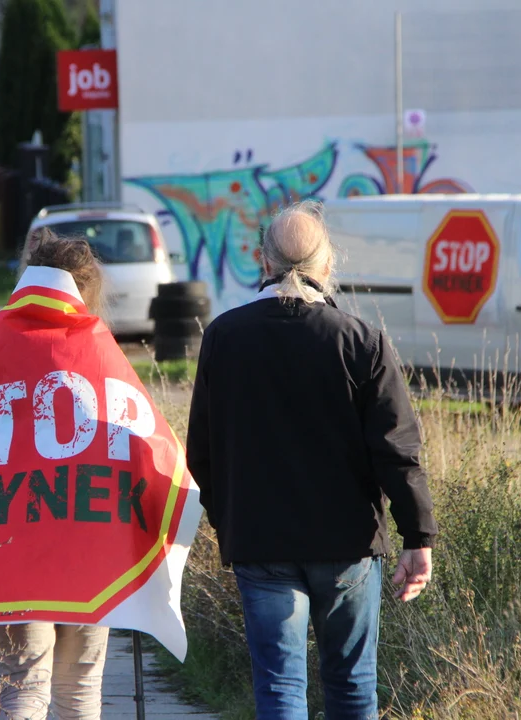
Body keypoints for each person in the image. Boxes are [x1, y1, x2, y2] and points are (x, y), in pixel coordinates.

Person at [185, 201, 438, 720]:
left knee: (279, 691)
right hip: (347, 546)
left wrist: (229, 522)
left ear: (264, 261)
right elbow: (396, 452)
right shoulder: (361, 341)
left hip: (261, 545)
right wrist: (418, 537)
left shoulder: (224, 338)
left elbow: (201, 453)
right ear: (328, 265)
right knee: (352, 688)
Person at [0, 227, 108, 720]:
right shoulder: (101, 351)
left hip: (13, 543)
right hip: (89, 547)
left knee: (23, 684)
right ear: (87, 289)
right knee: (79, 688)